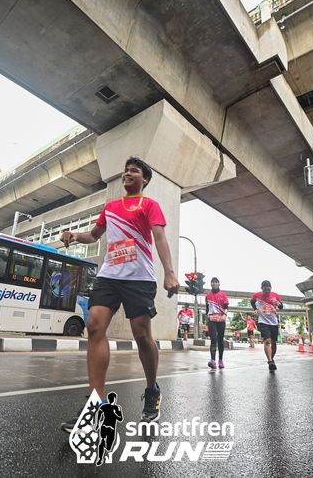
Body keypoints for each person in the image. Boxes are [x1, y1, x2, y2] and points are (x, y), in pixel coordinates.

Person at [60, 157, 179, 432]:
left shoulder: (149, 205)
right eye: (126, 170)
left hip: (139, 278)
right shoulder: (111, 207)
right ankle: (96, 404)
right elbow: (94, 235)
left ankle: (152, 389)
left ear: (144, 179)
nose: (127, 173)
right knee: (94, 325)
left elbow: (159, 237)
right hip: (109, 276)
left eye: (134, 171)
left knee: (142, 335)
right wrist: (74, 235)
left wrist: (169, 272)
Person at [250, 280, 283, 371]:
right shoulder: (256, 295)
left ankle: (271, 359)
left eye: (269, 289)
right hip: (263, 321)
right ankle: (270, 361)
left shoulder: (275, 295)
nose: (267, 291)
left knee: (274, 342)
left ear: (271, 288)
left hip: (274, 321)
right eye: (265, 290)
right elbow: (252, 302)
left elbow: (281, 307)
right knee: (267, 341)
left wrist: (278, 304)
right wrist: (255, 309)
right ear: (261, 288)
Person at [205, 277, 229, 369]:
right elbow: (207, 308)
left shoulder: (223, 295)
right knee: (213, 339)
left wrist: (224, 315)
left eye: (216, 282)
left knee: (220, 340)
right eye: (212, 282)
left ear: (219, 284)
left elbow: (226, 307)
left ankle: (220, 360)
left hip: (221, 319)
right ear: (211, 284)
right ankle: (212, 360)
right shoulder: (208, 296)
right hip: (212, 319)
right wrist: (207, 318)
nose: (214, 284)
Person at [95, 392, 123, 466]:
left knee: (108, 447)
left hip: (110, 428)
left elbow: (120, 419)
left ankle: (106, 446)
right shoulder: (105, 407)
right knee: (102, 442)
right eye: (112, 398)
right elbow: (99, 414)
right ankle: (100, 459)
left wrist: (115, 413)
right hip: (105, 427)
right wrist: (97, 424)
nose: (112, 400)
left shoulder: (116, 407)